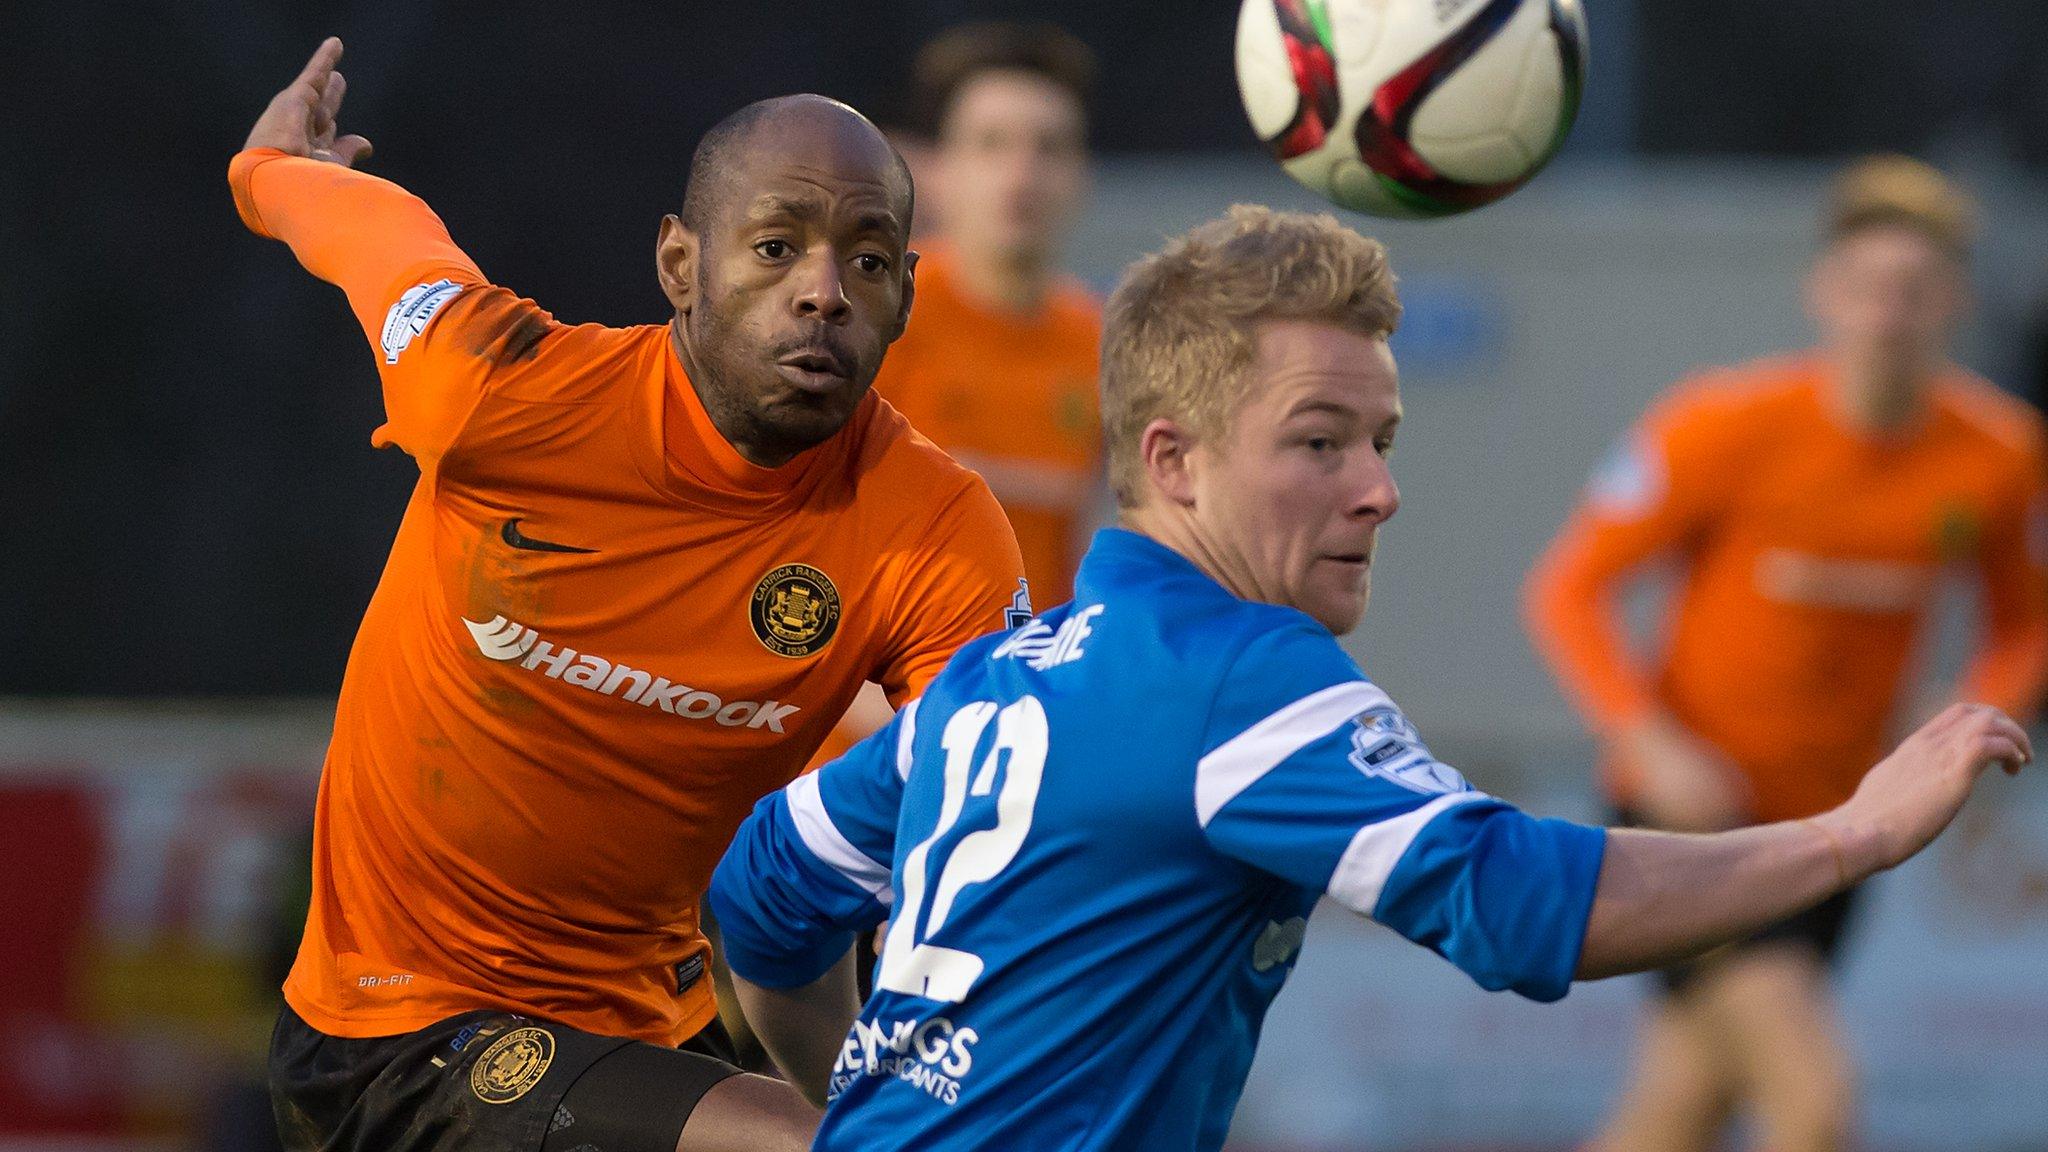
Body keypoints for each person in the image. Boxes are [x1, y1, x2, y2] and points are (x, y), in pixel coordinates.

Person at [700, 206, 2033, 1151]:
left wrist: (857, 1108)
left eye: (1382, 439)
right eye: (1320, 443)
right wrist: (1854, 834)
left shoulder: (994, 676)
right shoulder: (1241, 676)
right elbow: (1516, 906)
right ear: (1174, 464)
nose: (1381, 491)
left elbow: (764, 893)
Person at [231, 39, 1026, 1152]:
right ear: (678, 264)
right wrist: (270, 173)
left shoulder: (934, 530)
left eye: (870, 261)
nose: (822, 291)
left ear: (903, 299)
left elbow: (1000, 805)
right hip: (396, 1031)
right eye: (775, 245)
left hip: (651, 1039)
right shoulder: (494, 390)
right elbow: (379, 239)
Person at [1523, 156, 2048, 1152]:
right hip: (1692, 822)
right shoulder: (1721, 423)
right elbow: (1567, 587)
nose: (1886, 313)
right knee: (1813, 1099)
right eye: (1864, 287)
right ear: (1821, 292)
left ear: (1953, 299)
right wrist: (1649, 742)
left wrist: (1964, 720)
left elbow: (2021, 623)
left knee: (1679, 1106)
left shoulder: (1997, 453)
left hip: (1843, 824)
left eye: (1913, 289)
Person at [806, 21, 1101, 767]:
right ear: (931, 170)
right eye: (992, 143)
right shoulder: (859, 322)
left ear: (1083, 175)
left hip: (1013, 752)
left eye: (1050, 147)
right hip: (844, 761)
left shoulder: (1105, 350)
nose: (1022, 174)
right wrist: (927, 738)